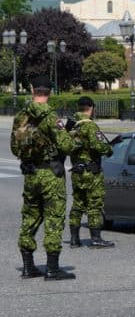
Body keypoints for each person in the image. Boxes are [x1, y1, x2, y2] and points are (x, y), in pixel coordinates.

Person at [11, 75, 77, 280]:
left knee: (30, 217)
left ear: (32, 90)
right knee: (54, 219)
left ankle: (28, 266)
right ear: (49, 92)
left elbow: (14, 148)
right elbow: (66, 146)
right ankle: (52, 268)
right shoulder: (51, 117)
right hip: (51, 174)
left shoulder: (21, 116)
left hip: (31, 174)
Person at [68, 96, 115, 249]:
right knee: (94, 204)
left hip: (77, 171)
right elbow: (99, 146)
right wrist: (109, 149)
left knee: (78, 204)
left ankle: (74, 239)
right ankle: (96, 239)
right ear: (91, 108)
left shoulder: (72, 125)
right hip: (91, 172)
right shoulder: (90, 126)